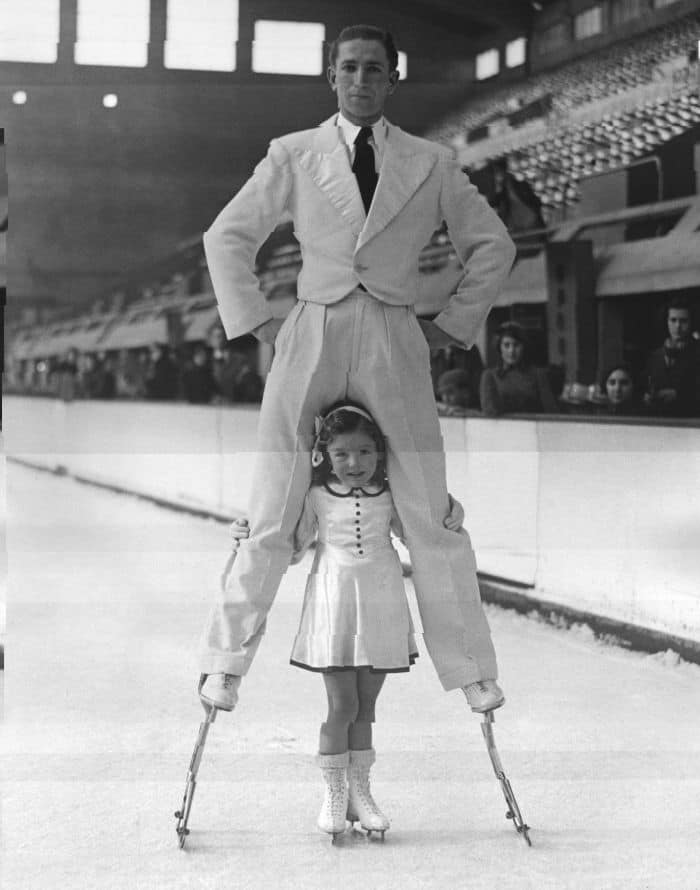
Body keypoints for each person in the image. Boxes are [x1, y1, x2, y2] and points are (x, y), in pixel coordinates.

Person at [199, 25, 515, 717]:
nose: (362, 80)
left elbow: (493, 244)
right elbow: (226, 236)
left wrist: (451, 325)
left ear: (393, 79)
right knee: (272, 508)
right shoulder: (295, 153)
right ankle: (225, 663)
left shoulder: (431, 162)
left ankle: (470, 668)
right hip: (309, 329)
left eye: (375, 69)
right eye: (350, 68)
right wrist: (259, 323)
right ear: (332, 77)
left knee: (428, 510)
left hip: (395, 334)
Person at [212, 404, 469, 839]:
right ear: (325, 455)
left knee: (366, 708)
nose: (355, 464)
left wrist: (451, 509)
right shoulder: (316, 496)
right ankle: (333, 793)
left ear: (380, 454)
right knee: (342, 706)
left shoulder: (391, 495)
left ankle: (360, 794)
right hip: (334, 602)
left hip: (382, 601)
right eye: (344, 453)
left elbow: (422, 533)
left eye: (366, 452)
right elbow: (289, 547)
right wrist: (247, 535)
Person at [480, 321, 558, 416]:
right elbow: (489, 411)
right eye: (506, 345)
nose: (511, 351)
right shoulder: (489, 376)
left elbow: (551, 412)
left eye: (516, 345)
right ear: (499, 348)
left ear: (524, 347)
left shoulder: (538, 374)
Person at [644, 299, 700, 417]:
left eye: (683, 321)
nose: (678, 326)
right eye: (673, 320)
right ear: (666, 322)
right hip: (659, 421)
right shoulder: (655, 356)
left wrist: (679, 395)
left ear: (692, 322)